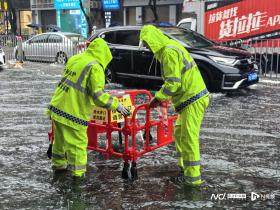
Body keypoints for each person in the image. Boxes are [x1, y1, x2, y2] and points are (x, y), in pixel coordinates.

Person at [47, 38, 130, 178]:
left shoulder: (76, 58)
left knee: (59, 142)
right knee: (78, 146)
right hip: (73, 112)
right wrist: (117, 105)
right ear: (104, 54)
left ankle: (58, 169)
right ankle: (78, 179)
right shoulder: (95, 67)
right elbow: (98, 96)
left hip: (56, 107)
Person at [139, 25, 209, 186]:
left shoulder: (168, 52)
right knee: (179, 134)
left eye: (148, 44)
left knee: (189, 137)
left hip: (193, 99)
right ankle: (184, 169)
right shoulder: (169, 48)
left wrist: (157, 99)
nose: (148, 48)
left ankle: (193, 180)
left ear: (154, 40)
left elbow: (173, 83)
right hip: (188, 99)